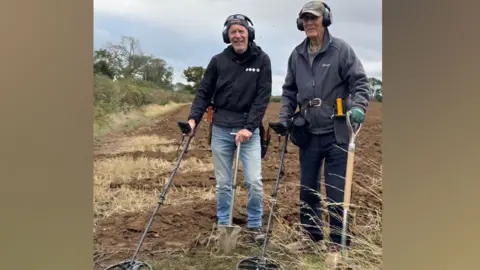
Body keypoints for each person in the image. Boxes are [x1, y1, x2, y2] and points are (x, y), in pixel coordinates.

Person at [278, 0, 371, 263]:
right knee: (307, 189)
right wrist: (285, 118)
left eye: (313, 18)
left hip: (337, 131)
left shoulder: (341, 50)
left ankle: (338, 243)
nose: (309, 23)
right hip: (308, 133)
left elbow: (360, 83)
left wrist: (359, 107)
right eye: (305, 19)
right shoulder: (296, 55)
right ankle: (311, 238)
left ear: (325, 20)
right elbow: (288, 91)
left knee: (335, 190)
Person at [186, 14, 272, 243]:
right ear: (227, 36)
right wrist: (193, 119)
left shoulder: (262, 60)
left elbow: (262, 98)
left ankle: (255, 226)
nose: (237, 35)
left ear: (249, 34)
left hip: (249, 131)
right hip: (222, 129)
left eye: (241, 31)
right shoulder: (218, 61)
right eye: (233, 32)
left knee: (254, 181)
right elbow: (203, 92)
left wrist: (249, 126)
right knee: (224, 183)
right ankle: (224, 223)